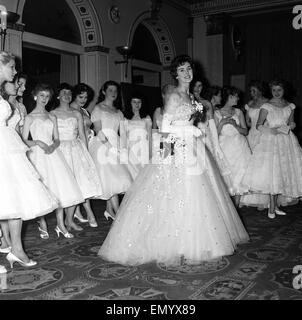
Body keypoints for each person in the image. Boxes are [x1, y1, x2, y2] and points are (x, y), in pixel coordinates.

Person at [98, 55, 249, 266]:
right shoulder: (174, 96)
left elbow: (189, 119)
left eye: (189, 69)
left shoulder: (193, 99)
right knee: (176, 191)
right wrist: (166, 157)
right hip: (177, 148)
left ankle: (193, 240)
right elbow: (166, 127)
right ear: (175, 74)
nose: (187, 73)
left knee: (197, 193)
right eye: (182, 70)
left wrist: (192, 125)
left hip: (194, 147)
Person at [0, 51, 58, 268]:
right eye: (12, 67)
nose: (15, 72)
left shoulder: (3, 94)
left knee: (15, 199)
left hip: (7, 146)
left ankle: (17, 249)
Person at [22, 83, 85, 239]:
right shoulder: (29, 117)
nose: (45, 99)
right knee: (41, 189)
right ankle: (42, 222)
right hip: (37, 154)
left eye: (47, 96)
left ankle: (61, 224)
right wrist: (37, 142)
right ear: (35, 96)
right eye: (41, 96)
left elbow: (57, 139)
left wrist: (52, 146)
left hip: (53, 153)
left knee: (59, 189)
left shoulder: (52, 116)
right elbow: (23, 141)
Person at [242, 80, 302, 219]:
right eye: (274, 90)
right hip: (271, 139)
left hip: (286, 140)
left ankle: (275, 205)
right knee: (272, 172)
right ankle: (271, 207)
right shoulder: (266, 106)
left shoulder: (290, 106)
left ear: (284, 90)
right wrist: (272, 131)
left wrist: (287, 128)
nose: (276, 93)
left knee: (281, 171)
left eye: (279, 90)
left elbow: (292, 123)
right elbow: (259, 125)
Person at [51, 83, 103, 232]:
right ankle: (62, 222)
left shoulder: (77, 114)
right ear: (58, 95)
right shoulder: (53, 113)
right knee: (65, 185)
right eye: (64, 93)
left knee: (78, 184)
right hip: (60, 149)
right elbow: (52, 135)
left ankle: (69, 219)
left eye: (69, 93)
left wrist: (85, 152)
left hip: (76, 149)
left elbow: (82, 134)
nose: (67, 96)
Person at [89, 81, 132, 220]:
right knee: (111, 178)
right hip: (103, 144)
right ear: (103, 92)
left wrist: (123, 147)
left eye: (115, 91)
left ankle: (109, 210)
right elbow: (98, 130)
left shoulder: (119, 112)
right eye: (110, 90)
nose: (113, 93)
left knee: (119, 179)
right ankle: (120, 215)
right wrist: (110, 149)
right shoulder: (98, 108)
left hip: (116, 142)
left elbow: (124, 132)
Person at [214, 86, 251, 207]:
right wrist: (221, 123)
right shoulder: (217, 113)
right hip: (224, 145)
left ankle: (237, 204)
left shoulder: (239, 112)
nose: (238, 98)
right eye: (236, 96)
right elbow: (214, 134)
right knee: (227, 175)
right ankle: (228, 205)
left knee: (240, 172)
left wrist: (236, 126)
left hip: (239, 145)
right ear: (229, 97)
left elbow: (245, 132)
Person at [70, 83, 98, 227]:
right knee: (82, 180)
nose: (83, 100)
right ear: (74, 95)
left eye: (86, 97)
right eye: (81, 96)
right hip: (77, 147)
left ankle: (78, 211)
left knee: (85, 180)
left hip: (88, 145)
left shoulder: (85, 111)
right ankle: (89, 213)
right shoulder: (70, 110)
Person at [240, 81, 270, 210]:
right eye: (251, 91)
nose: (252, 93)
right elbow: (247, 121)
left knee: (262, 165)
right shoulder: (250, 104)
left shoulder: (268, 103)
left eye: (254, 90)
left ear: (260, 90)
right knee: (249, 164)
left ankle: (264, 198)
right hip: (251, 134)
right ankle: (249, 197)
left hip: (263, 135)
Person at [124, 91, 152, 180]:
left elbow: (150, 137)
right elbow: (123, 137)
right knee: (131, 175)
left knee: (143, 175)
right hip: (130, 149)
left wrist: (150, 153)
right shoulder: (125, 117)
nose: (137, 104)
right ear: (130, 103)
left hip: (143, 148)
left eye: (139, 102)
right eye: (134, 102)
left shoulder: (146, 117)